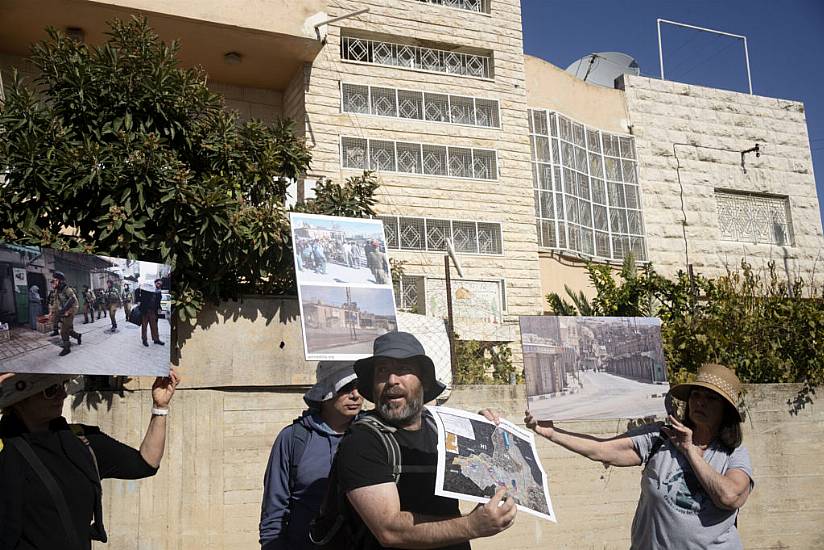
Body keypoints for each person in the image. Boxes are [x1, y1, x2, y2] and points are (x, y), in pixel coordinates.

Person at [509, 363, 753, 550]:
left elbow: (729, 497)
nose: (700, 402)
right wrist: (551, 432)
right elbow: (602, 450)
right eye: (696, 395)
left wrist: (690, 449)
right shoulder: (661, 437)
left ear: (725, 410)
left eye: (711, 398)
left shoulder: (733, 454)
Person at [324, 331, 516, 550]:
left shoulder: (441, 428)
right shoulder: (363, 441)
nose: (391, 380)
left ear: (423, 381)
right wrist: (471, 526)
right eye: (382, 371)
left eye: (403, 369)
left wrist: (484, 430)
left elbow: (484, 475)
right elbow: (389, 530)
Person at [0, 369, 180, 549]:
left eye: (62, 385)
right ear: (19, 399)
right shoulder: (4, 449)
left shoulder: (80, 440)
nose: (62, 394)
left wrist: (160, 407)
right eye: (50, 390)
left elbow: (145, 463)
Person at [259, 362, 363, 550]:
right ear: (326, 393)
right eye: (346, 388)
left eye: (359, 387)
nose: (355, 395)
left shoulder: (372, 436)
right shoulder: (293, 439)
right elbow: (274, 511)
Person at [51, 272, 82, 357]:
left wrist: (69, 312)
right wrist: (52, 312)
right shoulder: (58, 290)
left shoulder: (67, 290)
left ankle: (67, 348)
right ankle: (78, 336)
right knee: (68, 329)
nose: (54, 282)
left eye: (56, 280)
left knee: (64, 331)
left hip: (70, 311)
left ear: (60, 281)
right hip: (63, 311)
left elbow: (75, 303)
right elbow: (55, 303)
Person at [137, 279, 164, 347]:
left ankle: (156, 339)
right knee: (144, 326)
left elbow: (158, 302)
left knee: (154, 326)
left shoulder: (158, 292)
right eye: (158, 283)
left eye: (160, 284)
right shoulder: (147, 289)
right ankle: (144, 340)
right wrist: (138, 300)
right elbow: (137, 291)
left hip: (153, 312)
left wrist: (159, 308)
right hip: (145, 311)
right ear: (154, 283)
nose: (159, 285)